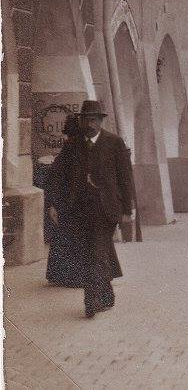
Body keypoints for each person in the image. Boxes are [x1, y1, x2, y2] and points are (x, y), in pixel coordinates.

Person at [46, 100, 134, 319]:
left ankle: (91, 300)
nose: (91, 123)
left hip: (106, 210)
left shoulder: (114, 143)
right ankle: (106, 294)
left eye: (94, 119)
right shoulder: (73, 146)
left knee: (97, 252)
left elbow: (125, 179)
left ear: (101, 121)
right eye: (87, 119)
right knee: (91, 254)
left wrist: (127, 210)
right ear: (82, 121)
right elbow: (56, 176)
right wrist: (52, 204)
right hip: (79, 210)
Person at [44, 113, 89, 287]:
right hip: (76, 203)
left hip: (66, 203)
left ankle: (63, 275)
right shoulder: (82, 148)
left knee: (65, 239)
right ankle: (75, 276)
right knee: (76, 239)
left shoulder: (68, 150)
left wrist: (53, 203)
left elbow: (54, 179)